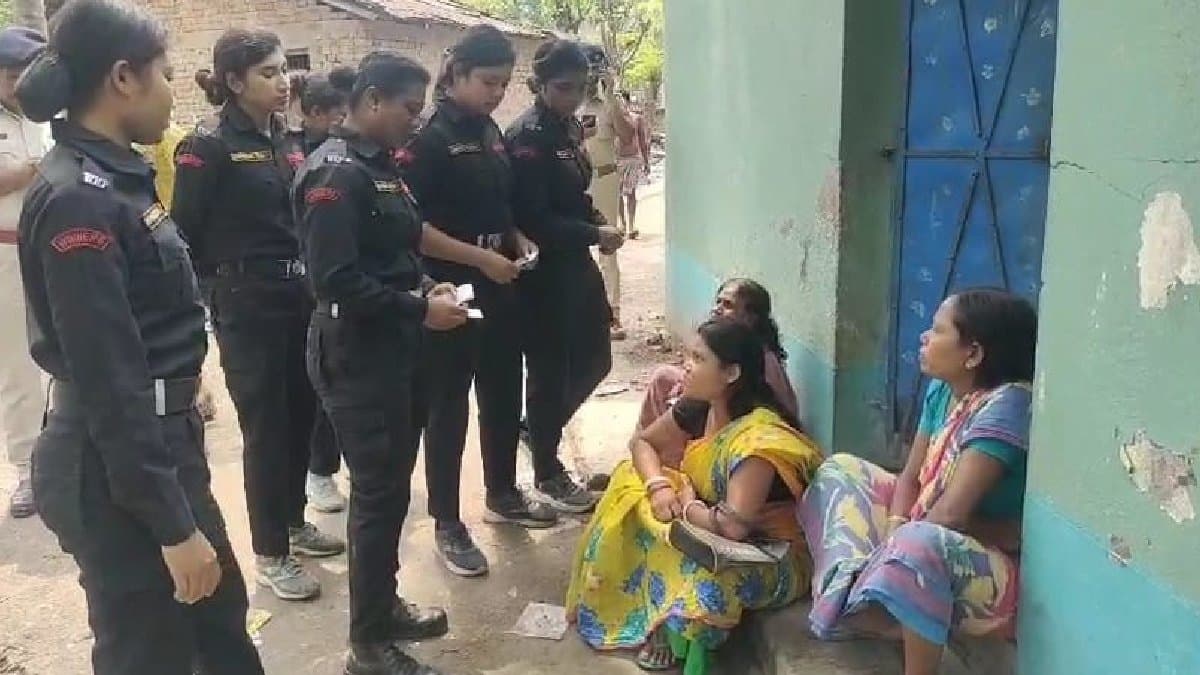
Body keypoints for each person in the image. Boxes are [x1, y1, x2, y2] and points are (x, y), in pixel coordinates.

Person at [14, 1, 265, 672]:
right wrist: (172, 525)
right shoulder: (79, 200)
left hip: (155, 446)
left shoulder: (119, 178)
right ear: (123, 78)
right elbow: (108, 380)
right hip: (112, 466)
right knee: (150, 651)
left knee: (221, 633)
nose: (171, 88)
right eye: (165, 72)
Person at [295, 51, 474, 675]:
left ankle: (382, 604)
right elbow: (334, 279)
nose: (414, 122)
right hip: (357, 355)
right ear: (371, 101)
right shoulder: (333, 175)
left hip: (395, 348)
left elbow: (395, 250)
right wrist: (417, 308)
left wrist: (426, 288)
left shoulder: (382, 168)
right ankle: (367, 647)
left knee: (392, 492)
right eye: (407, 109)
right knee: (376, 497)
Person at [172, 28, 344, 602]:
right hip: (245, 306)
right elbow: (185, 237)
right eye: (268, 72)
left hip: (299, 298)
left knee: (302, 414)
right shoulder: (207, 146)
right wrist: (203, 313)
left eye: (283, 69)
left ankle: (293, 523)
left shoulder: (287, 139)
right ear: (233, 80)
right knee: (267, 429)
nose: (283, 80)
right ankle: (271, 551)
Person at [797, 288, 1037, 675]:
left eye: (938, 330)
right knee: (840, 470)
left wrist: (896, 541)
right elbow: (910, 477)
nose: (924, 337)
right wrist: (893, 526)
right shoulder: (944, 388)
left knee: (917, 541)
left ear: (973, 354)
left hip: (994, 568)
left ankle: (887, 625)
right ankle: (861, 599)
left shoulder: (1007, 407)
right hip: (934, 528)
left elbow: (951, 516)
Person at [566, 319, 822, 675]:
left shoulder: (758, 438)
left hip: (772, 552)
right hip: (710, 526)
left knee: (703, 579)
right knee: (632, 483)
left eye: (698, 358)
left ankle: (687, 645)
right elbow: (643, 443)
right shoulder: (701, 404)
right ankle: (661, 620)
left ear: (731, 373)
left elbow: (732, 528)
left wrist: (685, 503)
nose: (687, 365)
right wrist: (659, 486)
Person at [400, 25, 553, 578]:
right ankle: (447, 522)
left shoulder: (490, 130)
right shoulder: (425, 139)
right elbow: (412, 228)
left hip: (499, 279)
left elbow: (499, 200)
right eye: (488, 81)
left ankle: (503, 493)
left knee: (501, 392)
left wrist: (515, 238)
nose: (496, 93)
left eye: (504, 83)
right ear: (457, 75)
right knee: (448, 408)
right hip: (450, 286)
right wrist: (478, 258)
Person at [506, 39, 625, 515]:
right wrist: (595, 231)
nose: (573, 97)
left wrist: (594, 217)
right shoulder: (527, 136)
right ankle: (548, 471)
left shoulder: (568, 127)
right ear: (538, 86)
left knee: (597, 359)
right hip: (544, 271)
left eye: (581, 87)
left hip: (576, 261)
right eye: (563, 88)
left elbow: (574, 194)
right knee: (550, 370)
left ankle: (537, 429)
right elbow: (535, 220)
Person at [286, 66, 356, 514]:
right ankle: (319, 470)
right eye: (333, 114)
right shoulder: (298, 155)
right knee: (315, 389)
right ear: (312, 114)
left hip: (330, 278)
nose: (339, 123)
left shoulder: (355, 156)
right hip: (300, 283)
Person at [0, 26, 51, 519]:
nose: (20, 85)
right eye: (12, 76)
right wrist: (38, 168)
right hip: (5, 251)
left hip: (57, 244)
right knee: (18, 366)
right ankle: (27, 470)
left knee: (70, 348)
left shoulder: (52, 116)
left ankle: (69, 455)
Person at [579, 44, 634, 341]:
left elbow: (626, 138)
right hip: (573, 181)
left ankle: (612, 314)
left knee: (607, 245)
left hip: (604, 179)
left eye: (595, 69)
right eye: (586, 68)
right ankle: (581, 313)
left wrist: (612, 94)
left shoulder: (609, 104)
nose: (590, 76)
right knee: (574, 244)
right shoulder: (568, 102)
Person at [615, 90, 649, 240]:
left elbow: (643, 141)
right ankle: (621, 223)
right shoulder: (613, 119)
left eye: (622, 100)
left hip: (632, 159)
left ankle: (631, 225)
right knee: (617, 194)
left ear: (627, 102)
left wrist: (646, 161)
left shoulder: (636, 119)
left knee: (631, 193)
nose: (620, 103)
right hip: (616, 160)